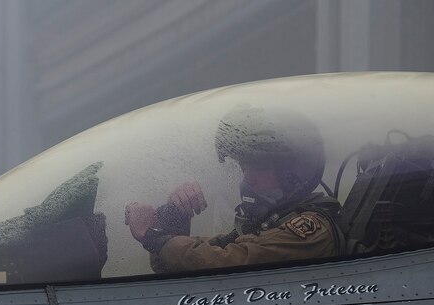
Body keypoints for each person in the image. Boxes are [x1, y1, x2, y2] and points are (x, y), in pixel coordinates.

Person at [124, 106, 343, 273]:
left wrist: (150, 235)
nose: (247, 178)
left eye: (258, 167)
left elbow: (224, 262)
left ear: (292, 174)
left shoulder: (310, 230)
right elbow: (176, 264)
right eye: (244, 167)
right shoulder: (270, 223)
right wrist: (175, 217)